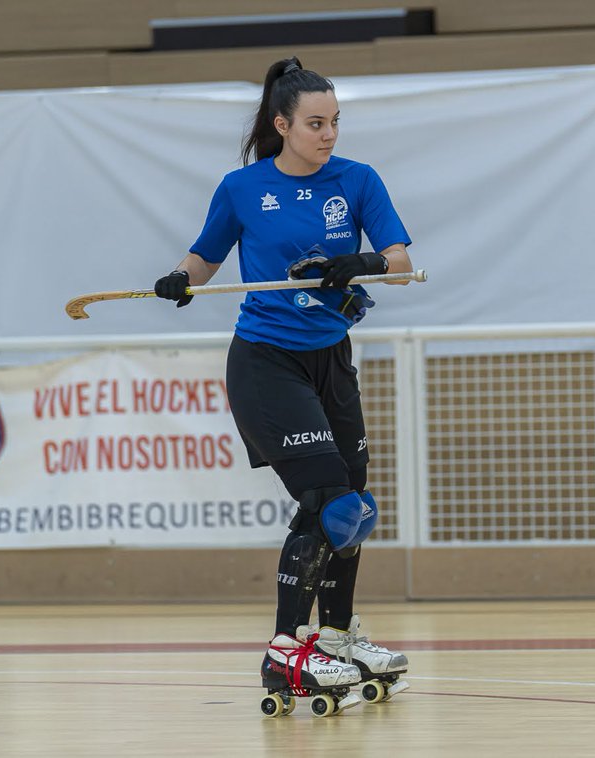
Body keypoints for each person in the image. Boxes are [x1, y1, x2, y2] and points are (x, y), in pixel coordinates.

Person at [153, 56, 412, 710]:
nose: (328, 135)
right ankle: (283, 650)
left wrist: (363, 261)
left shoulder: (357, 181)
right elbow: (204, 259)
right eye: (315, 123)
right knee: (328, 496)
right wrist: (181, 280)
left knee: (353, 507)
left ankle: (337, 636)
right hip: (266, 361)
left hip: (332, 359)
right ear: (283, 125)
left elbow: (402, 265)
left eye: (335, 122)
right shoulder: (243, 189)